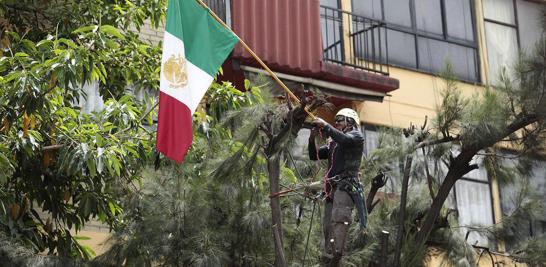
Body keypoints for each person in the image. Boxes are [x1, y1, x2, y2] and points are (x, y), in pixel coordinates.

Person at [308, 108, 366, 267]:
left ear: (351, 121)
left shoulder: (356, 137)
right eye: (335, 120)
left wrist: (326, 125)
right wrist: (312, 138)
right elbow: (314, 155)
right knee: (328, 229)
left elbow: (345, 140)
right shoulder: (335, 143)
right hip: (331, 192)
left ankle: (334, 260)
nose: (337, 122)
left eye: (340, 119)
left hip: (344, 189)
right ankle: (326, 261)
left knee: (338, 227)